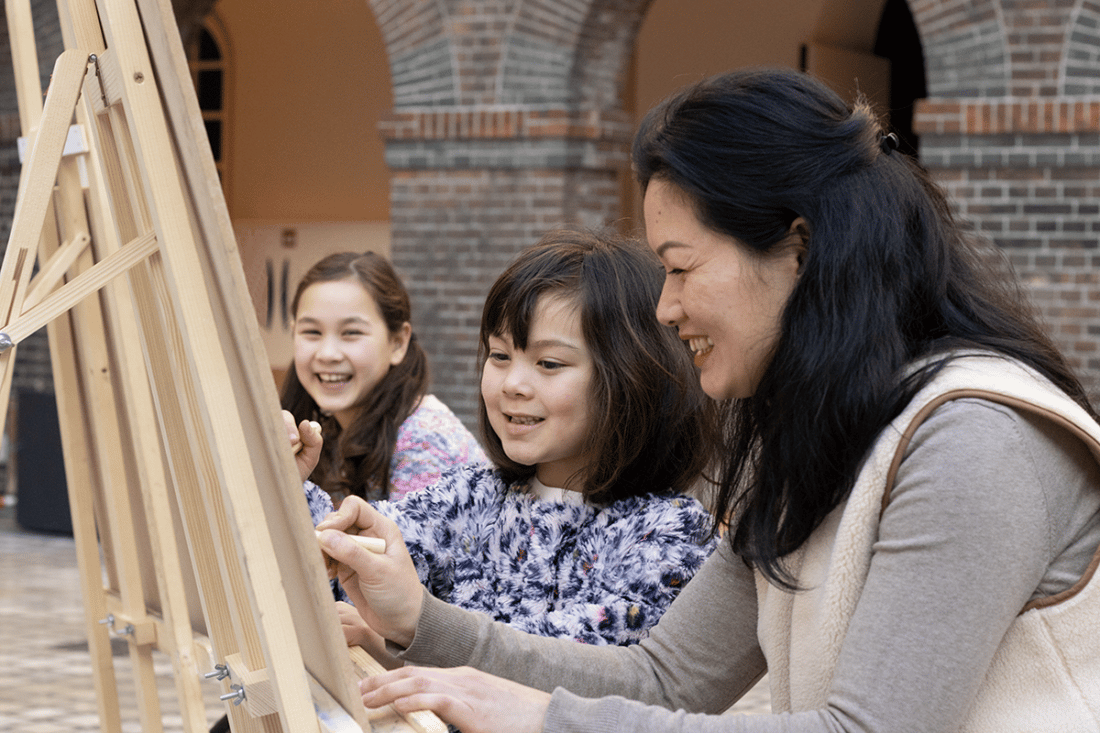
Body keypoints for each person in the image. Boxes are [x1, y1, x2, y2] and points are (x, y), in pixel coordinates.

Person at [317, 67, 1100, 733]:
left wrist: (544, 716)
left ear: (798, 249)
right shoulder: (800, 436)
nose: (663, 308)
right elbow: (664, 678)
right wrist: (419, 619)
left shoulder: (975, 438)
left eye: (681, 267)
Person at [310, 229, 719, 654]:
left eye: (548, 363)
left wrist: (403, 634)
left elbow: (557, 667)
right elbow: (328, 574)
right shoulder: (473, 496)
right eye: (500, 356)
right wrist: (297, 495)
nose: (513, 384)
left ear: (633, 379)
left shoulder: (669, 535)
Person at [281, 250, 486, 506]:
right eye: (311, 331)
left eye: (351, 332)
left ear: (398, 343)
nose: (328, 354)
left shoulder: (424, 443)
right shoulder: (327, 431)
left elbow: (406, 546)